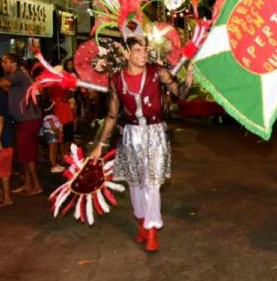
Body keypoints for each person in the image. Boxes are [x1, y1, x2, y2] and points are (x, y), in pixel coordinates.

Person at [89, 35, 194, 252]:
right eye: (137, 50)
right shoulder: (116, 79)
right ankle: (141, 223)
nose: (143, 54)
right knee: (135, 183)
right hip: (131, 134)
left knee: (152, 182)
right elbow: (111, 115)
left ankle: (153, 229)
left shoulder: (158, 72)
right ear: (126, 53)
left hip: (155, 133)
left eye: (145, 49)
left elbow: (181, 94)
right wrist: (100, 144)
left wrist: (190, 76)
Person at [0, 54, 43, 196]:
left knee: (28, 155)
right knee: (24, 153)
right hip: (24, 120)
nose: (2, 64)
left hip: (28, 119)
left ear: (14, 63)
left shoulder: (17, 74)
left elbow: (2, 83)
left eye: (6, 62)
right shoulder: (17, 77)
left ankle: (37, 185)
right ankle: (28, 183)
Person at [0, 67, 16, 207]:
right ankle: (3, 196)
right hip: (6, 134)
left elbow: (0, 118)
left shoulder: (0, 94)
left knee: (3, 169)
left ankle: (6, 198)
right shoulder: (3, 93)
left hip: (3, 136)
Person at [40, 102, 65, 173]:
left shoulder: (51, 116)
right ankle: (53, 166)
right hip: (52, 134)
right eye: (54, 107)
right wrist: (58, 134)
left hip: (54, 134)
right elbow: (53, 126)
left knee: (55, 150)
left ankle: (55, 164)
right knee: (52, 150)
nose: (55, 109)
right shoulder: (49, 117)